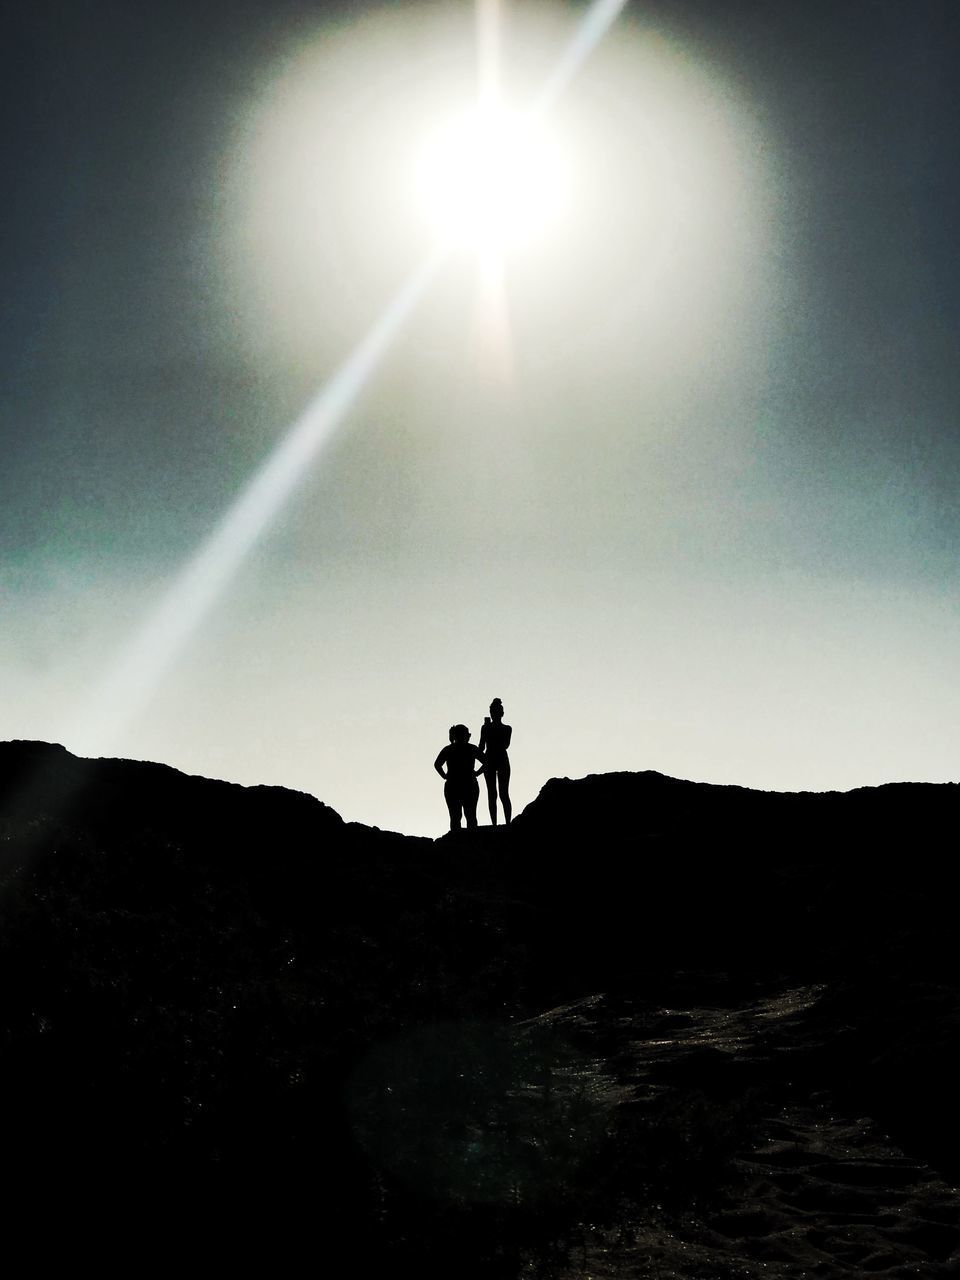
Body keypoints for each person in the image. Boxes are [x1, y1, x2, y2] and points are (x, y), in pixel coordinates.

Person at [434, 724, 484, 831]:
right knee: (469, 816)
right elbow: (487, 762)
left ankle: (457, 842)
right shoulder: (471, 749)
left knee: (456, 817)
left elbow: (437, 764)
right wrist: (477, 773)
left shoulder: (449, 749)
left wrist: (445, 776)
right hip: (468, 784)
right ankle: (471, 841)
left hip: (454, 785)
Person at [479, 697, 512, 825]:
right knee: (492, 794)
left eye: (496, 712)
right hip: (490, 761)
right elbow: (481, 747)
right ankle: (494, 824)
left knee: (503, 793)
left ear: (501, 713)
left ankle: (507, 823)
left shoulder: (507, 728)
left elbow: (505, 745)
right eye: (493, 712)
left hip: (501, 760)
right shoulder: (485, 728)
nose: (494, 714)